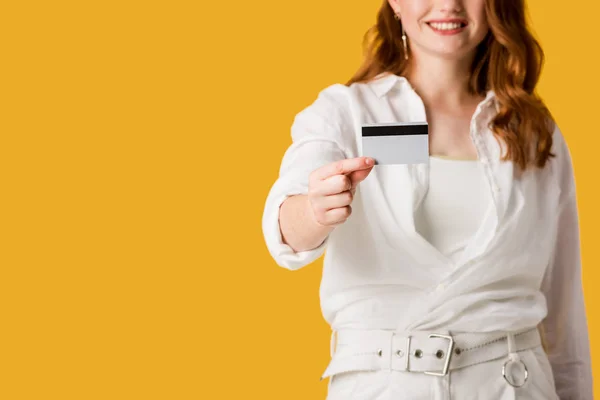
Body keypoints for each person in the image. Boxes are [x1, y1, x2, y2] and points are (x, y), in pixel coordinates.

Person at [261, 0, 593, 398]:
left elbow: (564, 314)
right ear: (396, 3)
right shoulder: (344, 113)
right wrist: (315, 209)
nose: (449, 4)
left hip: (515, 386)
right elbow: (287, 225)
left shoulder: (536, 133)